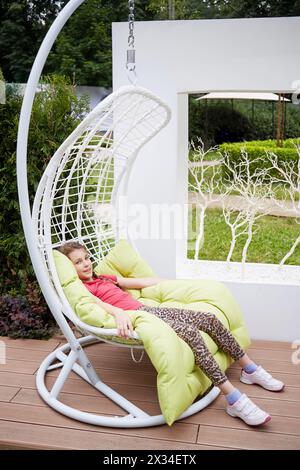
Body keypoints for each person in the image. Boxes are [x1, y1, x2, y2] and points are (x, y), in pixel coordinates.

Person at [58, 241, 285, 427]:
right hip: (141, 318)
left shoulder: (103, 278)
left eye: (87, 258)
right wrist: (117, 312)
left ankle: (249, 368)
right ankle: (233, 398)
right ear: (69, 268)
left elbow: (137, 281)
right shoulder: (83, 288)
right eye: (78, 262)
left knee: (209, 319)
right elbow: (95, 303)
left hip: (149, 310)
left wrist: (168, 282)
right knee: (190, 333)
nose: (86, 263)